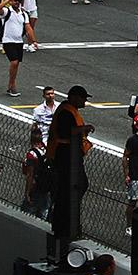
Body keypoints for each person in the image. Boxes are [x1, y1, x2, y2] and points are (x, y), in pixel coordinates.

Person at [47, 84, 91, 257]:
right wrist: (84, 129)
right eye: (82, 98)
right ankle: (66, 225)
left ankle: (68, 224)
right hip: (65, 156)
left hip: (69, 155)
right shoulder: (66, 111)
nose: (84, 101)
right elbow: (67, 132)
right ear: (74, 97)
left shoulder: (69, 110)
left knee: (75, 187)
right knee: (70, 190)